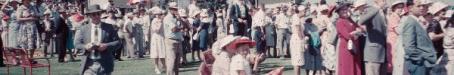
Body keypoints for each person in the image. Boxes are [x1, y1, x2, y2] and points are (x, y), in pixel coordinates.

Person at [75, 4, 120, 75]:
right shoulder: (83, 29)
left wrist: (106, 46)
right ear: (89, 15)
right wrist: (86, 47)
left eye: (98, 14)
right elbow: (77, 44)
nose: (96, 16)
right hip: (88, 65)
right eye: (93, 14)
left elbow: (118, 43)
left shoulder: (109, 27)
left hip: (104, 64)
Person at [400, 0, 437, 74]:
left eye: (423, 6)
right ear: (410, 8)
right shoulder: (410, 22)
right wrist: (421, 59)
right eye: (418, 6)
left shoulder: (416, 21)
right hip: (418, 64)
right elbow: (409, 47)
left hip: (421, 63)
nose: (422, 8)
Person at [354, 0, 388, 74]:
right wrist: (378, 8)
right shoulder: (372, 10)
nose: (386, 2)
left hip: (381, 50)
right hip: (373, 52)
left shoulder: (382, 12)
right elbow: (361, 21)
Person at [335, 3, 363, 75]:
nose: (345, 11)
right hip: (347, 47)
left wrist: (357, 31)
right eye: (342, 10)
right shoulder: (339, 22)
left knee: (355, 65)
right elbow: (347, 35)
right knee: (347, 66)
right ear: (339, 12)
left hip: (355, 46)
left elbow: (359, 28)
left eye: (346, 9)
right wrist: (356, 33)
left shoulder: (350, 20)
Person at [385, 0, 407, 75]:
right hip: (393, 41)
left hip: (396, 42)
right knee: (393, 62)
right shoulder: (393, 17)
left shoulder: (398, 17)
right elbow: (399, 30)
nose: (400, 9)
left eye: (401, 7)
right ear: (394, 8)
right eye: (398, 7)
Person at [314, 4, 337, 74]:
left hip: (326, 38)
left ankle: (327, 70)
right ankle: (330, 70)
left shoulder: (322, 18)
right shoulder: (326, 18)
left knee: (326, 56)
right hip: (327, 38)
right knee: (330, 55)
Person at [163, 2, 183, 75]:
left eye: (176, 9)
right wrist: (180, 28)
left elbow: (182, 25)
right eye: (174, 9)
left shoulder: (175, 18)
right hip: (171, 41)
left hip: (177, 40)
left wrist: (179, 19)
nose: (176, 10)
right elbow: (174, 29)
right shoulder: (168, 18)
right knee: (171, 61)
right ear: (170, 9)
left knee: (177, 62)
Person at [289, 5, 306, 75]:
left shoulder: (298, 18)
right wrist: (304, 41)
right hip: (297, 40)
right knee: (297, 60)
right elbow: (299, 32)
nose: (305, 13)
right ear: (301, 11)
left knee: (298, 60)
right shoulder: (296, 18)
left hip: (298, 39)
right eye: (304, 11)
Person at [150, 8, 166, 74]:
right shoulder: (154, 21)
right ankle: (156, 68)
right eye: (157, 14)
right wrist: (160, 22)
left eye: (160, 14)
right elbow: (157, 30)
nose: (158, 15)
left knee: (162, 53)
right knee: (156, 54)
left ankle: (164, 66)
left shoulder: (163, 20)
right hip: (156, 38)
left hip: (162, 38)